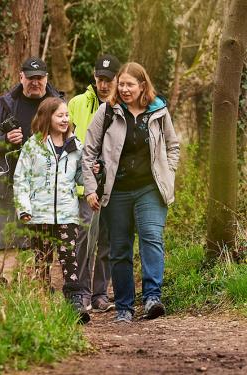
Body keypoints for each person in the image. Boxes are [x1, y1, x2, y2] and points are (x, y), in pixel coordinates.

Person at [81, 62, 180, 323]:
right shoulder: (108, 112)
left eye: (129, 85)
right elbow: (88, 151)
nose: (124, 89)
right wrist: (91, 188)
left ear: (142, 86)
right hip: (117, 191)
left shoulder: (158, 111)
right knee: (120, 248)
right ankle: (124, 306)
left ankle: (151, 298)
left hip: (150, 188)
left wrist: (168, 173)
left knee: (151, 237)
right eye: (121, 84)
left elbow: (173, 146)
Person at [0, 57, 63, 283]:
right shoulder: (5, 104)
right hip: (9, 183)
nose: (35, 82)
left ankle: (41, 287)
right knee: (8, 238)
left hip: (46, 184)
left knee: (43, 239)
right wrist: (4, 139)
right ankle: (8, 290)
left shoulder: (58, 104)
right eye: (30, 78)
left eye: (40, 78)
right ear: (21, 78)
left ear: (46, 79)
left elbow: (70, 138)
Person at [13, 97, 90, 323]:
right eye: (60, 115)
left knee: (69, 257)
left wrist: (94, 171)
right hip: (39, 214)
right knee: (42, 258)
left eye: (67, 115)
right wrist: (24, 209)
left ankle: (75, 302)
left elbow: (80, 177)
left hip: (67, 213)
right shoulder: (32, 146)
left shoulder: (75, 146)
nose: (65, 119)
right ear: (47, 117)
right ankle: (42, 298)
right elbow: (21, 180)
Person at [68, 54, 120, 313]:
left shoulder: (122, 105)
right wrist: (85, 167)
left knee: (107, 240)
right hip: (84, 186)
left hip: (114, 185)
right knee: (84, 238)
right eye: (100, 79)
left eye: (108, 80)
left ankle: (101, 293)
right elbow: (66, 141)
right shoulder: (77, 103)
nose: (103, 85)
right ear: (94, 77)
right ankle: (82, 292)